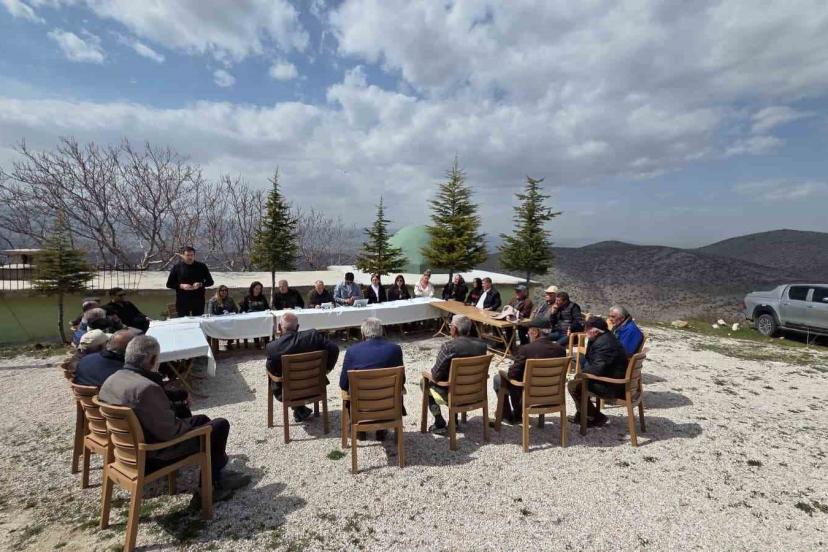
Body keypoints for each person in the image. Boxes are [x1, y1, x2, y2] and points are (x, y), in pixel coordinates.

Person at [98, 336, 250, 505]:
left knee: (202, 420)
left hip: (127, 451)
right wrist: (191, 424)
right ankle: (210, 489)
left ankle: (215, 473)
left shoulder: (110, 381)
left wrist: (180, 411)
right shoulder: (146, 388)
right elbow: (171, 432)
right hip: (153, 454)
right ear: (153, 360)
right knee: (219, 425)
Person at [265, 312, 340, 421]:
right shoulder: (313, 336)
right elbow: (334, 349)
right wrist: (326, 369)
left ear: (279, 327)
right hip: (314, 386)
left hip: (288, 392)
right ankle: (299, 408)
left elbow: (272, 371)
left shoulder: (272, 347)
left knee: (273, 374)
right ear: (298, 327)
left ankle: (298, 407)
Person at [340, 318, 404, 440]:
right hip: (388, 405)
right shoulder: (395, 349)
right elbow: (402, 380)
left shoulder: (352, 351)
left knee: (350, 394)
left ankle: (360, 429)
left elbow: (343, 384)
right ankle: (381, 428)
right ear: (381, 332)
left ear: (363, 334)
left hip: (361, 406)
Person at [493, 319, 565, 424]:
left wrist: (507, 371)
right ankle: (515, 415)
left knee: (498, 379)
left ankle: (510, 415)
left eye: (529, 331)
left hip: (529, 396)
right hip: (552, 396)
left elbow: (512, 375)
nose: (527, 333)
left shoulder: (526, 349)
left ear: (535, 332)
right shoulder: (561, 350)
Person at [425, 314, 487, 434]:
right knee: (454, 382)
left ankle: (439, 422)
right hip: (475, 393)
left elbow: (436, 375)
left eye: (450, 326)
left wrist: (428, 374)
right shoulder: (482, 345)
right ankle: (454, 421)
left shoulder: (449, 347)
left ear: (454, 329)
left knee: (425, 382)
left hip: (453, 394)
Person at [566, 317, 628, 427]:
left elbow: (597, 369)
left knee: (573, 386)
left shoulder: (604, 344)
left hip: (612, 386)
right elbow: (590, 359)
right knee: (578, 380)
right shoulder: (605, 336)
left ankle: (597, 417)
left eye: (587, 329)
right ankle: (582, 415)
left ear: (595, 331)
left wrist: (581, 373)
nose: (585, 332)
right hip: (612, 378)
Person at [165, 246, 214, 317]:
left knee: (198, 321)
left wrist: (200, 284)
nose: (190, 257)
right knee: (184, 322)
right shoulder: (177, 267)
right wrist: (181, 286)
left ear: (194, 255)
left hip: (198, 300)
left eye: (192, 255)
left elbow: (210, 282)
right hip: (182, 301)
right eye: (187, 255)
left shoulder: (202, 266)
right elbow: (169, 284)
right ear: (183, 256)